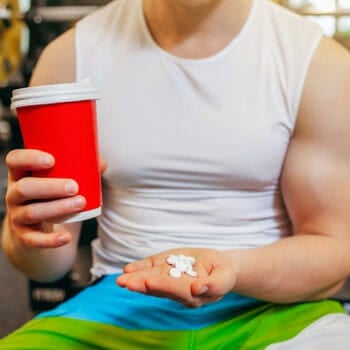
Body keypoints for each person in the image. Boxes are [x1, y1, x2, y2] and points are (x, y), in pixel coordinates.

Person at [1, 0, 350, 348]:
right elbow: (47, 267)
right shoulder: (70, 56)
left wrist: (232, 269)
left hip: (275, 307)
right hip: (116, 304)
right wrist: (28, 232)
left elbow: (332, 250)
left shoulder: (316, 63)